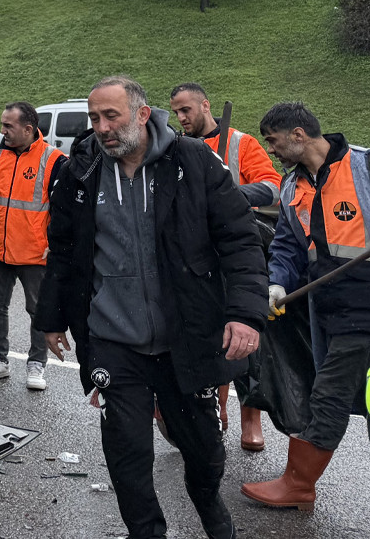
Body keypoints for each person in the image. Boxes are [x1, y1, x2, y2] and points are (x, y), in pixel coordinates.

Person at [36, 75, 266, 539]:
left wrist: (244, 313)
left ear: (142, 115)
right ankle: (146, 532)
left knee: (204, 452)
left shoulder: (194, 161)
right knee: (126, 452)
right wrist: (51, 317)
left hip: (185, 335)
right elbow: (62, 250)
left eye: (111, 116)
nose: (100, 127)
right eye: (94, 118)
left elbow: (240, 242)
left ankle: (210, 509)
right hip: (112, 339)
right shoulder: (78, 170)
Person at [241, 102, 370, 511]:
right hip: (326, 310)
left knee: (330, 397)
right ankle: (299, 484)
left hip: (365, 309)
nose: (272, 149)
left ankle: (299, 484)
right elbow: (285, 245)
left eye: (274, 140)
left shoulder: (365, 168)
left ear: (298, 134)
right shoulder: (290, 187)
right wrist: (277, 283)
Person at [169, 82, 282, 451]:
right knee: (205, 337)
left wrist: (227, 194)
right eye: (176, 112)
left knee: (246, 337)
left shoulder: (240, 143)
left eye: (187, 110)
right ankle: (214, 412)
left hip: (236, 250)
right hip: (195, 257)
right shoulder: (174, 148)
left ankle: (251, 416)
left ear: (205, 106)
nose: (181, 118)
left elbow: (272, 186)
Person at [0, 101, 64, 390]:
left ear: (28, 128)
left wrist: (57, 243)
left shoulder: (54, 160)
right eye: (2, 124)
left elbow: (63, 209)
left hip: (35, 250)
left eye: (8, 126)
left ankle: (37, 365)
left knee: (38, 309)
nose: (2, 130)